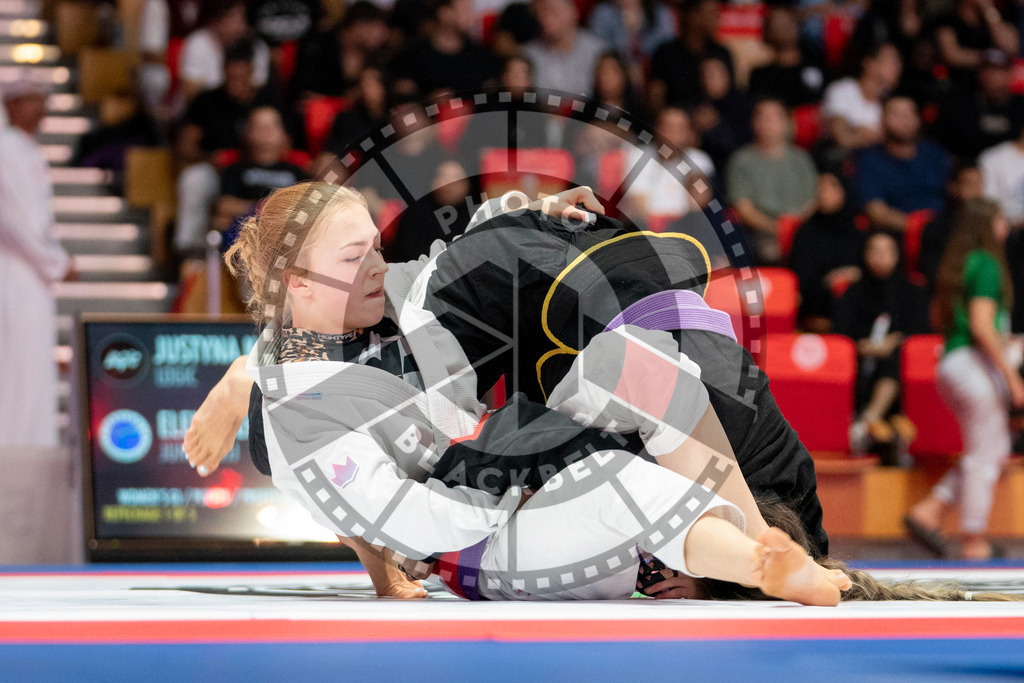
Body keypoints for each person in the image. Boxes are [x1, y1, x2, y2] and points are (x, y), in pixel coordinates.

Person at [208, 180, 849, 604]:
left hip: (505, 453)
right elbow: (402, 516)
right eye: (356, 258)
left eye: (376, 246)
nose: (378, 265)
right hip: (482, 542)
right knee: (618, 486)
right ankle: (752, 567)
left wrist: (530, 210)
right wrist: (513, 483)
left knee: (638, 361)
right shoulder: (301, 418)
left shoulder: (390, 299)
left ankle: (765, 545)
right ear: (298, 282)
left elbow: (451, 261)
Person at [905, 198, 1024, 560]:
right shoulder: (987, 263)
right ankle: (974, 539)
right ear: (987, 225)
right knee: (984, 456)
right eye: (1000, 219)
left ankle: (929, 511)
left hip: (954, 362)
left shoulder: (960, 263)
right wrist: (1013, 379)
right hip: (972, 366)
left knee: (988, 450)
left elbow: (949, 319)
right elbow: (981, 325)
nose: (1005, 225)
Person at [0, 79, 73, 562]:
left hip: (29, 273)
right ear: (14, 104)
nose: (43, 109)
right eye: (35, 100)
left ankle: (27, 449)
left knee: (30, 365)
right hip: (13, 271)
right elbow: (14, 220)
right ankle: (13, 452)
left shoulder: (24, 149)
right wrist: (57, 262)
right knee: (16, 365)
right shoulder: (6, 149)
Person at [832, 231, 930, 457]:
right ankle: (862, 423)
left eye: (888, 251)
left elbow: (921, 335)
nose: (881, 257)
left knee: (895, 360)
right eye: (874, 251)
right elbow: (839, 336)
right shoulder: (852, 293)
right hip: (859, 363)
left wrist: (895, 341)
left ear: (898, 255)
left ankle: (867, 421)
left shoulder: (913, 292)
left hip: (897, 368)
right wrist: (862, 347)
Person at [726, 98, 818, 265]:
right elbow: (743, 207)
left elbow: (812, 200)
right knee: (768, 251)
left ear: (787, 122)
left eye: (774, 117)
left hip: (800, 227)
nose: (767, 123)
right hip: (760, 230)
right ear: (754, 122)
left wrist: (792, 225)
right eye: (762, 117)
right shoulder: (741, 160)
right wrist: (775, 227)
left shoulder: (801, 159)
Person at [854, 96, 951, 232]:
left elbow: (954, 191)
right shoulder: (870, 159)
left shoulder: (934, 153)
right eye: (897, 114)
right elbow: (876, 210)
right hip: (897, 232)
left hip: (943, 227)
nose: (905, 120)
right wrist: (917, 226)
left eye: (910, 113)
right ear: (883, 119)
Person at [213, 107, 309, 233]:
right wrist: (262, 208)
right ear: (248, 133)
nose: (266, 131)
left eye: (272, 125)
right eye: (259, 126)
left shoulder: (297, 171)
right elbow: (224, 205)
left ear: (283, 133)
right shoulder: (236, 169)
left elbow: (307, 209)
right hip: (246, 230)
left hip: (284, 232)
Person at [789, 172, 863, 333]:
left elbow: (866, 267)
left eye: (830, 187)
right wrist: (830, 281)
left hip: (854, 299)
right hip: (817, 301)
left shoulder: (857, 229)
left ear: (843, 191)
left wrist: (852, 273)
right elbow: (802, 276)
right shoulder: (805, 231)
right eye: (819, 189)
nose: (823, 193)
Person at [390, 0, 499, 98]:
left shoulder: (480, 54)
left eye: (470, 8)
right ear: (443, 12)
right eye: (463, 9)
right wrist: (428, 99)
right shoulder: (415, 54)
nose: (469, 14)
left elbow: (491, 89)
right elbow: (404, 91)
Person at [647, 0, 733, 111]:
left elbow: (732, 98)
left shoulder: (722, 53)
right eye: (710, 13)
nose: (717, 19)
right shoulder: (665, 53)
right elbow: (655, 99)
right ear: (692, 16)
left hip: (717, 118)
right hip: (676, 117)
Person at [178, 0, 270, 100]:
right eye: (234, 18)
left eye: (244, 17)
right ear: (218, 20)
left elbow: (260, 90)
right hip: (208, 106)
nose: (242, 24)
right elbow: (191, 91)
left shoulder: (257, 46)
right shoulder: (198, 42)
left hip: (247, 106)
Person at [821, 42, 902, 153]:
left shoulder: (889, 99)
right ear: (870, 64)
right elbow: (842, 138)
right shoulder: (841, 90)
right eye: (891, 60)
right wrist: (878, 137)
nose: (898, 66)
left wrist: (859, 131)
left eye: (898, 61)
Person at [520, 0, 607, 96]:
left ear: (574, 13)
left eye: (554, 11)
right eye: (542, 12)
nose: (547, 19)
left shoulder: (598, 52)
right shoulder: (526, 55)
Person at [748, 6, 826, 109]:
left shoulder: (820, 65)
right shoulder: (760, 76)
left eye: (790, 22)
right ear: (768, 32)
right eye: (778, 24)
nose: (785, 28)